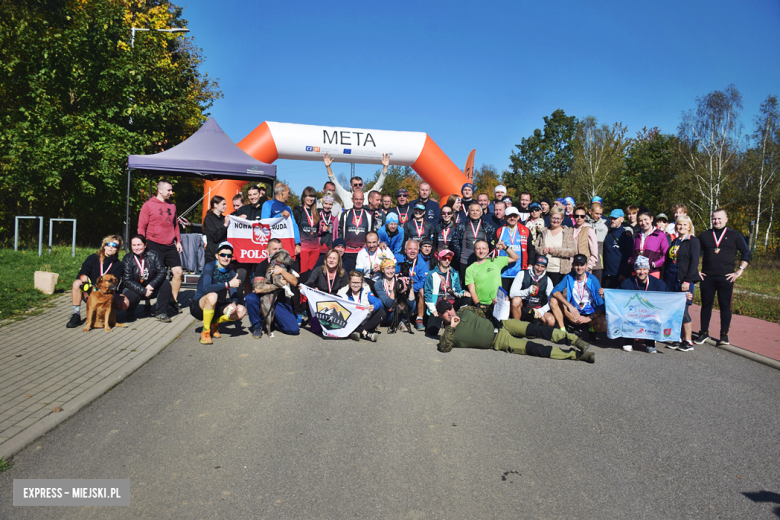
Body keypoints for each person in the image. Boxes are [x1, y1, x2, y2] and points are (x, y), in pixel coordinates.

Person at [436, 302, 595, 363]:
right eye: (445, 312)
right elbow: (444, 348)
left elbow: (484, 312)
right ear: (441, 316)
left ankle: (575, 340)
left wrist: (493, 305)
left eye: (449, 309)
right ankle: (577, 355)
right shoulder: (449, 335)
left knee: (538, 329)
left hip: (503, 324)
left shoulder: (464, 310)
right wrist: (451, 327)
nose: (450, 313)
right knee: (535, 349)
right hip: (498, 341)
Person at [695, 208, 751, 346]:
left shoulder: (735, 236)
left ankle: (724, 335)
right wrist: (695, 271)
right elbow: (693, 253)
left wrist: (739, 271)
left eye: (719, 218)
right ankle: (703, 333)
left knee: (725, 307)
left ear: (726, 219)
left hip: (726, 277)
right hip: (707, 277)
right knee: (706, 306)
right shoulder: (704, 235)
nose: (717, 221)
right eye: (714, 218)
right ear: (711, 219)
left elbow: (747, 253)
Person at [137, 179, 183, 314]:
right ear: (160, 190)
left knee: (178, 273)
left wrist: (178, 241)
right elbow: (141, 226)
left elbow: (175, 225)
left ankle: (172, 301)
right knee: (153, 274)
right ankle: (147, 302)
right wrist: (141, 243)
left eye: (171, 190)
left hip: (170, 244)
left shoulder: (172, 206)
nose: (171, 192)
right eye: (168, 190)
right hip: (153, 243)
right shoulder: (148, 205)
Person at [189, 241, 246, 344]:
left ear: (232, 257)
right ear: (216, 256)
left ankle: (214, 322)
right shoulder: (209, 267)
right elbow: (206, 288)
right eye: (223, 255)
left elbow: (234, 295)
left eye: (229, 255)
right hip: (199, 306)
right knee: (212, 295)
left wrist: (233, 303)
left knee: (241, 310)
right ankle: (205, 332)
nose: (226, 258)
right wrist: (228, 284)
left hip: (216, 306)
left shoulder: (231, 272)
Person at [66, 235, 128, 328]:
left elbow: (116, 281)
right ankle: (76, 314)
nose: (111, 247)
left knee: (125, 303)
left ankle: (106, 316)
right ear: (104, 245)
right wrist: (83, 276)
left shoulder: (118, 264)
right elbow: (81, 273)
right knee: (77, 283)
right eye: (109, 244)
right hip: (92, 291)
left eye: (115, 245)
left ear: (118, 249)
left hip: (108, 293)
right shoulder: (93, 258)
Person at [615, 256, 673, 354]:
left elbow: (669, 298)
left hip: (651, 315)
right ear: (635, 270)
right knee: (626, 313)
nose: (642, 272)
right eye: (639, 269)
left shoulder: (659, 284)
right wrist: (605, 293)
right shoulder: (627, 283)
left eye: (645, 269)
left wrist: (684, 297)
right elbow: (616, 296)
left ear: (648, 270)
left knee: (656, 314)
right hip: (633, 314)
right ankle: (628, 340)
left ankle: (650, 343)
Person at [245, 238, 301, 338]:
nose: (278, 251)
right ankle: (256, 325)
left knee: (294, 330)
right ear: (268, 251)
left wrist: (282, 271)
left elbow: (295, 282)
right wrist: (277, 285)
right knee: (250, 298)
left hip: (278, 302)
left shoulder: (285, 264)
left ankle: (272, 321)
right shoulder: (262, 265)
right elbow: (257, 288)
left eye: (280, 249)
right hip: (263, 299)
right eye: (275, 249)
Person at [549, 254, 607, 336]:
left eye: (582, 265)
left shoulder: (593, 279)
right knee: (553, 300)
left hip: (590, 315)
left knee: (605, 322)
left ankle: (591, 330)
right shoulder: (569, 276)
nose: (579, 268)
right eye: (577, 265)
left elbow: (601, 305)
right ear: (573, 265)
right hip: (574, 313)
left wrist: (588, 318)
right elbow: (555, 291)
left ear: (586, 265)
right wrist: (569, 306)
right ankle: (563, 331)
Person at [664, 215, 699, 351]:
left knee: (683, 310)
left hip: (683, 280)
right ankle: (677, 338)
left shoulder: (693, 241)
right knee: (674, 310)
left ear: (689, 227)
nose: (682, 227)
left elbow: (694, 263)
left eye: (685, 225)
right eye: (679, 225)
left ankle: (688, 341)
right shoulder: (675, 241)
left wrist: (687, 281)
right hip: (671, 278)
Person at [121, 234, 174, 323]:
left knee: (166, 284)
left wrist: (152, 284)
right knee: (132, 296)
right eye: (134, 245)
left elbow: (162, 272)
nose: (136, 248)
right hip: (134, 288)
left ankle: (161, 313)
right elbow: (127, 280)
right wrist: (143, 291)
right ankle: (130, 312)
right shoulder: (127, 259)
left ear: (145, 245)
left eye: (139, 245)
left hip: (150, 286)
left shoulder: (153, 255)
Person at [233, 184, 269, 301]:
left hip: (261, 251)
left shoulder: (266, 208)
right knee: (240, 276)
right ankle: (237, 302)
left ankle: (259, 303)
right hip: (245, 251)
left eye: (254, 194)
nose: (252, 197)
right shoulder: (243, 209)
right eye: (250, 195)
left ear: (260, 194)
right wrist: (238, 219)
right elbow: (232, 225)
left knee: (261, 278)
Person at [423, 249, 470, 334]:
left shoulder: (454, 273)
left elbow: (457, 290)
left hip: (451, 305)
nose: (447, 260)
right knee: (432, 331)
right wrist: (433, 310)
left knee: (467, 298)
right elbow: (427, 293)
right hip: (438, 306)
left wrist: (463, 292)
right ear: (439, 258)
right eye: (444, 258)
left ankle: (459, 318)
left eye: (449, 258)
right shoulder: (432, 274)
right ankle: (443, 320)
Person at [465, 239, 518, 312]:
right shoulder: (470, 269)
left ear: (488, 250)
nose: (481, 251)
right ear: (474, 250)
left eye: (484, 248)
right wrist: (478, 304)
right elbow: (472, 290)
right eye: (478, 249)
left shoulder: (495, 261)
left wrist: (505, 247)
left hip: (498, 303)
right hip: (482, 305)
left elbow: (515, 257)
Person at [324, 152, 389, 210]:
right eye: (355, 185)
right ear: (351, 186)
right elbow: (334, 181)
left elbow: (379, 184)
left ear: (362, 186)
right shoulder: (345, 195)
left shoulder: (367, 196)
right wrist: (328, 167)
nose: (358, 186)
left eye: (360, 184)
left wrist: (385, 167)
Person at [452, 202, 497, 282]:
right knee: (465, 285)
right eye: (472, 210)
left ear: (481, 213)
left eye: (477, 210)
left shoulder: (488, 226)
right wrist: (461, 256)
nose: (475, 212)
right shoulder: (461, 226)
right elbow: (455, 243)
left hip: (482, 261)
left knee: (481, 283)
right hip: (465, 261)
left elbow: (492, 244)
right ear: (468, 212)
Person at [337, 271, 385, 342]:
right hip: (350, 321)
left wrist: (374, 306)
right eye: (353, 282)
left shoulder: (366, 290)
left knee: (382, 312)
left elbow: (378, 302)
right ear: (349, 282)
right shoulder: (342, 293)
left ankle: (356, 331)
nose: (356, 285)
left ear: (362, 283)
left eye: (358, 283)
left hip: (364, 321)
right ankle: (365, 333)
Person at [509, 255, 556, 326]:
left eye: (542, 266)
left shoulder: (548, 280)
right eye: (537, 265)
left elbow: (551, 300)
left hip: (537, 309)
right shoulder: (522, 274)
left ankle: (536, 330)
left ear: (545, 268)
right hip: (523, 308)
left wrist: (542, 311)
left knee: (551, 321)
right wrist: (527, 291)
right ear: (533, 264)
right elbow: (512, 293)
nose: (539, 269)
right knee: (516, 300)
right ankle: (517, 327)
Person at [535, 207, 576, 286]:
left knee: (556, 295)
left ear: (562, 219)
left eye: (558, 218)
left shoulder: (567, 232)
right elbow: (536, 248)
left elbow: (572, 251)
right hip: (543, 270)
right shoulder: (543, 231)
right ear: (549, 218)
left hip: (560, 271)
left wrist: (555, 251)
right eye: (553, 218)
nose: (556, 220)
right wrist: (542, 251)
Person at [496, 206, 533, 293]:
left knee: (517, 297)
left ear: (519, 217)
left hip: (520, 271)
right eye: (509, 216)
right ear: (505, 217)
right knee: (504, 298)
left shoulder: (525, 230)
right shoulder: (499, 231)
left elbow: (531, 248)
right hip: (503, 271)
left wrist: (530, 263)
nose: (512, 218)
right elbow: (493, 249)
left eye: (515, 216)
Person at [338, 189, 374, 272]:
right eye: (356, 199)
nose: (358, 201)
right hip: (347, 251)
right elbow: (340, 231)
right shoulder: (345, 214)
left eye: (360, 199)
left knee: (360, 276)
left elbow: (371, 233)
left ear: (363, 200)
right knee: (346, 276)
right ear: (352, 200)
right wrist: (340, 247)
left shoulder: (369, 215)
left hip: (363, 251)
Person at [373, 257, 413, 331]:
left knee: (412, 300)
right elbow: (388, 304)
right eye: (388, 268)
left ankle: (402, 321)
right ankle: (379, 321)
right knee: (379, 301)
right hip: (386, 313)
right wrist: (395, 289)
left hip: (397, 312)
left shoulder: (400, 279)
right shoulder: (378, 284)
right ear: (383, 270)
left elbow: (411, 304)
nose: (391, 271)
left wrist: (410, 287)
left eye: (393, 268)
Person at [627, 210, 669, 279]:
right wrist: (631, 261)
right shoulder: (637, 235)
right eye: (640, 221)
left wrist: (654, 264)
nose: (643, 223)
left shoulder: (660, 235)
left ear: (651, 219)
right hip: (637, 273)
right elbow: (633, 253)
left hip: (652, 272)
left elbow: (666, 255)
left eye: (645, 219)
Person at [293, 186, 322, 277]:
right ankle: (301, 292)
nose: (311, 199)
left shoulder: (316, 212)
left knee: (312, 273)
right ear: (303, 197)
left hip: (315, 248)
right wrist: (296, 244)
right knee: (303, 273)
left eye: (313, 196)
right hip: (303, 248)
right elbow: (294, 228)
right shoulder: (298, 210)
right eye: (308, 196)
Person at [602, 209, 633, 289]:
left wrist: (624, 273)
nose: (612, 220)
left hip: (619, 275)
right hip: (606, 274)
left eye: (615, 218)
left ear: (622, 219)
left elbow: (630, 255)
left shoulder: (626, 235)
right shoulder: (607, 233)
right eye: (611, 218)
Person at [585, 202, 608, 283]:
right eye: (597, 213)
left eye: (601, 214)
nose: (599, 216)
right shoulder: (584, 223)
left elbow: (618, 225)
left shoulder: (605, 225)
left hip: (598, 264)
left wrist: (628, 230)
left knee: (596, 288)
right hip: (585, 262)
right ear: (590, 211)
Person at [572, 206, 598, 272]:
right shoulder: (570, 230)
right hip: (572, 266)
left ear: (585, 217)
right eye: (577, 216)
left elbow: (594, 251)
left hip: (584, 267)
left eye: (582, 216)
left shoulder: (589, 230)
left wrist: (589, 266)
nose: (579, 218)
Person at [202, 195, 229, 262]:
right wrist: (225, 225)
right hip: (212, 255)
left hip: (224, 255)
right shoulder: (209, 219)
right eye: (223, 204)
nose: (226, 206)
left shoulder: (224, 218)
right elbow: (215, 237)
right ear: (215, 205)